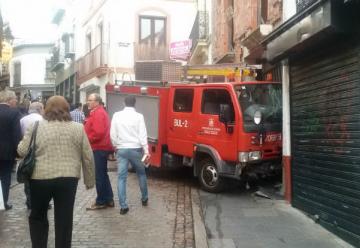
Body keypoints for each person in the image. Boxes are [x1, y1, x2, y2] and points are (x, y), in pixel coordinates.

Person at [17, 96, 95, 248]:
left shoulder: (36, 126)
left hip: (40, 178)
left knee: (38, 216)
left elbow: (21, 151)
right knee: (64, 219)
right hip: (68, 179)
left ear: (46, 108)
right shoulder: (78, 128)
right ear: (66, 108)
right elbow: (88, 156)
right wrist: (89, 180)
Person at [110, 95, 150, 215]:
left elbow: (112, 133)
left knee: (121, 178)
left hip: (121, 150)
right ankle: (144, 198)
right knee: (141, 174)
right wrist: (146, 150)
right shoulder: (139, 117)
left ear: (124, 102)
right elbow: (142, 134)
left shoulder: (116, 115)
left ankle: (123, 206)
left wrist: (116, 145)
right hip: (135, 149)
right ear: (135, 103)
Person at [84, 93, 114, 210]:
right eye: (88, 100)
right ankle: (108, 199)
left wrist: (87, 139)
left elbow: (98, 133)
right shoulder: (98, 112)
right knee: (103, 174)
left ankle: (101, 201)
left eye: (90, 100)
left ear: (97, 102)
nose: (88, 102)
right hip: (101, 147)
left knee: (99, 175)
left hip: (98, 148)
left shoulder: (98, 113)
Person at [20, 101, 45, 210]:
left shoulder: (22, 119)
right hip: (39, 150)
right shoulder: (42, 120)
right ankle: (40, 200)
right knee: (39, 175)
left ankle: (29, 200)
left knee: (27, 174)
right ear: (40, 108)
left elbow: (21, 135)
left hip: (26, 150)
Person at [0, 90, 21, 210]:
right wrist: (18, 152)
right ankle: (3, 202)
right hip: (7, 152)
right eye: (15, 99)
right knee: (5, 176)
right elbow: (16, 135)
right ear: (9, 100)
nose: (16, 101)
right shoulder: (14, 113)